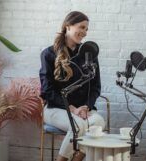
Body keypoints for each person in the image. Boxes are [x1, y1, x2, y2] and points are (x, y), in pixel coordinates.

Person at [39, 11, 105, 161]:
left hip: (81, 110)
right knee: (78, 127)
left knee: (98, 123)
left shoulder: (90, 53)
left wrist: (86, 107)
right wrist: (71, 108)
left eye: (86, 29)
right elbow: (47, 90)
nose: (84, 33)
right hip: (55, 108)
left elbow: (96, 86)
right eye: (81, 27)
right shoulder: (48, 54)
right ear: (68, 26)